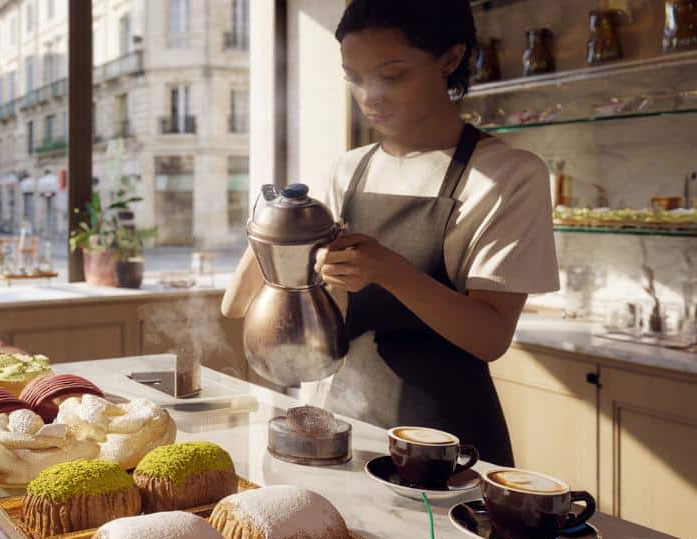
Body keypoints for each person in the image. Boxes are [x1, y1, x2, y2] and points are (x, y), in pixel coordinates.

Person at [222, 0, 559, 466]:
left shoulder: (508, 176)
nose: (370, 96)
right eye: (354, 78)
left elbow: (491, 336)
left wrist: (388, 269)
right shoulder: (349, 169)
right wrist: (270, 231)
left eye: (392, 75)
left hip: (445, 446)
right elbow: (236, 304)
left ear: (450, 58)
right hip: (341, 424)